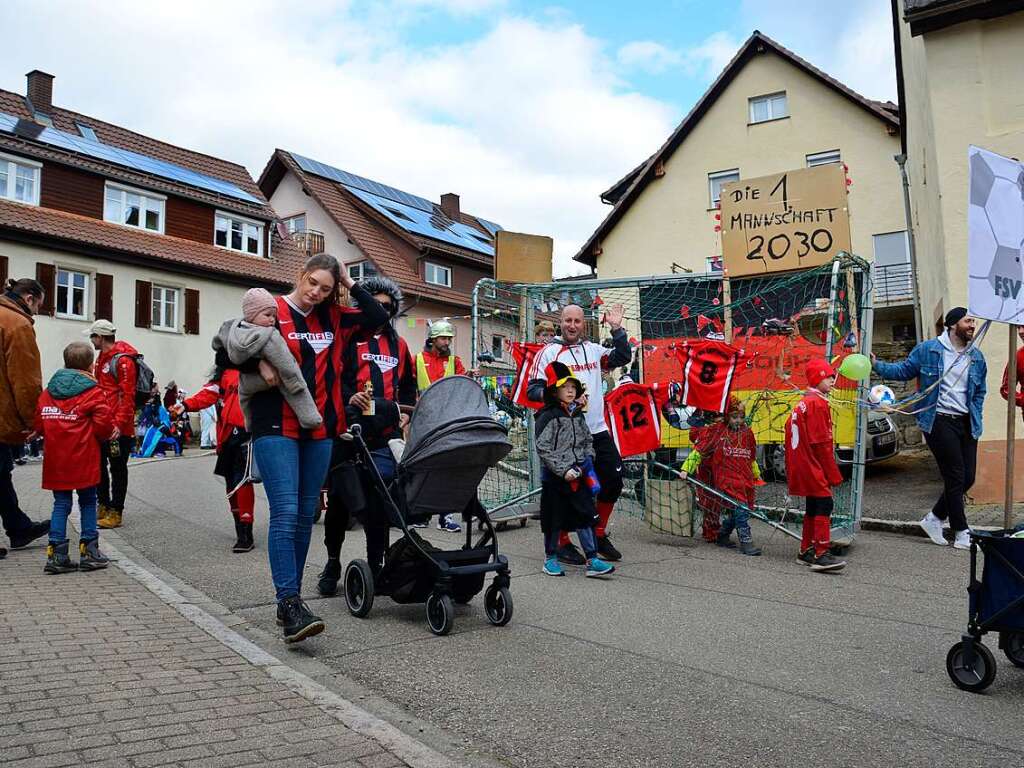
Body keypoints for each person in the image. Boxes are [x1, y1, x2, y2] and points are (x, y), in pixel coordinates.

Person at [220, 254, 388, 643]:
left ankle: (289, 604)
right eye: (312, 282)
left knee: (303, 516)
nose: (316, 293)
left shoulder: (334, 317)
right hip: (274, 422)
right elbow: (227, 348)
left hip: (320, 427)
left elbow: (378, 320)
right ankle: (290, 600)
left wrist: (348, 282)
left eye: (325, 288)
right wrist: (252, 369)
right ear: (301, 274)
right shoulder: (272, 308)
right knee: (286, 511)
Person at [318, 276, 415, 595]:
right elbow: (330, 379)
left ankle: (377, 566)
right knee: (340, 505)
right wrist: (349, 399)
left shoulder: (399, 345)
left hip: (383, 437)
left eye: (388, 307)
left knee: (379, 504)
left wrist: (405, 412)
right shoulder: (346, 338)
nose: (382, 312)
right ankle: (332, 562)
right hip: (347, 433)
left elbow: (408, 388)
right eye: (376, 306)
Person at [872, 308, 987, 550]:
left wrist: (977, 412)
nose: (972, 325)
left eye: (973, 321)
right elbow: (903, 371)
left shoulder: (976, 356)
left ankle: (934, 519)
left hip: (967, 422)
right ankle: (961, 532)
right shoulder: (929, 350)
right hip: (938, 421)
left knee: (968, 477)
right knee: (955, 475)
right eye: (968, 321)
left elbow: (980, 392)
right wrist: (876, 364)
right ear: (953, 325)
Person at [527, 303, 631, 564]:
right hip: (565, 436)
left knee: (613, 481)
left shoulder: (593, 350)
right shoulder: (549, 353)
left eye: (577, 321)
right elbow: (532, 390)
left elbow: (622, 357)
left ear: (584, 324)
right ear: (560, 322)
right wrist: (559, 398)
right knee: (566, 490)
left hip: (596, 430)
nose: (572, 325)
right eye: (568, 320)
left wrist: (617, 329)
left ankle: (597, 534)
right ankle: (561, 543)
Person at [34, 342, 114, 574]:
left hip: (56, 459)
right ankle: (89, 552)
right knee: (88, 501)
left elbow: (39, 423)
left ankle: (57, 555)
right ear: (91, 365)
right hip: (83, 457)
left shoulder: (49, 392)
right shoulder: (93, 391)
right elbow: (103, 426)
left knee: (61, 504)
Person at [535, 361, 615, 578]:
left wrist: (587, 460)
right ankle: (550, 558)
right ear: (554, 391)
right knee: (554, 519)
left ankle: (592, 559)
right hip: (555, 479)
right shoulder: (547, 416)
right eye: (565, 387)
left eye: (573, 387)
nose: (570, 391)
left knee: (585, 515)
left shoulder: (577, 415)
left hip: (578, 475)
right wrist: (563, 470)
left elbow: (588, 440)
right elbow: (543, 448)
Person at [214, 288, 323, 431]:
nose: (272, 319)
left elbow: (217, 347)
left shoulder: (234, 330)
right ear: (252, 314)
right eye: (267, 315)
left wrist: (254, 364)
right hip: (272, 382)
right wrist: (295, 383)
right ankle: (311, 418)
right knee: (290, 386)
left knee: (244, 398)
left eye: (274, 316)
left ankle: (249, 424)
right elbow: (284, 362)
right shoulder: (269, 334)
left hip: (247, 383)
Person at [172, 366, 255, 553]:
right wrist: (185, 405)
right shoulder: (225, 374)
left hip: (247, 434)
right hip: (227, 436)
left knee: (243, 481)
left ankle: (246, 531)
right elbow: (207, 394)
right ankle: (240, 530)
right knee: (230, 483)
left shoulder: (255, 369)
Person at [0, 278, 51, 557]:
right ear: (29, 298)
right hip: (1, 414)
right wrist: (35, 421)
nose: (36, 313)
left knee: (1, 473)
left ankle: (18, 527)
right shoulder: (17, 325)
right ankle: (18, 528)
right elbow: (25, 381)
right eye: (38, 306)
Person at [785, 359, 847, 572]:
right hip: (811, 462)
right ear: (817, 378)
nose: (832, 379)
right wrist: (833, 474)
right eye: (828, 376)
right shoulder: (817, 404)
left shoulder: (805, 401)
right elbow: (821, 444)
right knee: (823, 504)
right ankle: (821, 552)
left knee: (813, 504)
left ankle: (806, 550)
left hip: (800, 461)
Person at [680, 397, 762, 556]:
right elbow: (700, 449)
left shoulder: (747, 432)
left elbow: (751, 457)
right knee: (741, 507)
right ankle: (746, 541)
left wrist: (756, 474)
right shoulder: (718, 430)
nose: (738, 420)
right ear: (726, 416)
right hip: (726, 477)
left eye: (741, 417)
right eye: (734, 417)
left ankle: (722, 534)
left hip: (744, 476)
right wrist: (686, 469)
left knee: (744, 508)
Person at [415, 320, 467, 533]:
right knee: (425, 468)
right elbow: (408, 388)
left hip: (448, 421)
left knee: (449, 469)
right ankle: (422, 513)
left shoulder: (455, 361)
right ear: (433, 339)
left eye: (449, 338)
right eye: (444, 338)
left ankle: (446, 516)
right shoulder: (417, 360)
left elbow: (463, 385)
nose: (447, 342)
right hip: (425, 422)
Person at [87, 320, 138, 530]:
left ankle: (116, 511)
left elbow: (128, 396)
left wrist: (119, 423)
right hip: (102, 425)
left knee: (117, 469)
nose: (91, 341)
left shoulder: (124, 361)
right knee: (98, 466)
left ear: (100, 337)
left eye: (92, 337)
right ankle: (103, 505)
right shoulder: (101, 359)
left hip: (120, 429)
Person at [1001, 325, 1024, 427]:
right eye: (1018, 327)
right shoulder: (1017, 357)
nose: (1020, 332)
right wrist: (1022, 400)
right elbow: (1006, 389)